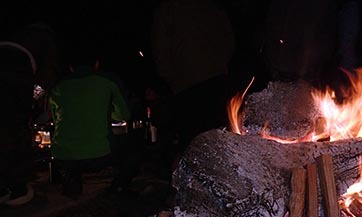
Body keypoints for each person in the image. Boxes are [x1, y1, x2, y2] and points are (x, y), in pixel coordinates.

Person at [150, 0, 235, 170]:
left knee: (192, 139)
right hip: (213, 78)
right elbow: (229, 40)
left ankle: (197, 182)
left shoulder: (170, 7)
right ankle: (212, 179)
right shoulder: (212, 7)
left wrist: (167, 75)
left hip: (187, 81)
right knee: (213, 135)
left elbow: (160, 44)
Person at [49, 47, 132, 196]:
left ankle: (71, 178)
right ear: (96, 64)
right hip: (99, 155)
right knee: (130, 151)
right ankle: (118, 187)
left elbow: (57, 120)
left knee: (69, 155)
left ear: (71, 67)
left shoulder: (57, 87)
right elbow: (124, 115)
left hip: (63, 155)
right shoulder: (107, 81)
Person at [0, 22, 60, 206]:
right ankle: (18, 189)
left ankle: (3, 187)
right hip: (16, 73)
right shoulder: (47, 41)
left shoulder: (15, 32)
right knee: (17, 132)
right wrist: (32, 98)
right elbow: (48, 76)